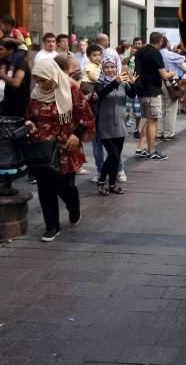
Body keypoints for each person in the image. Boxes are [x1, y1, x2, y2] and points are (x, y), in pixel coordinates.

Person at [24, 59, 95, 242]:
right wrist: (29, 124)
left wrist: (76, 135)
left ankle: (73, 205)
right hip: (42, 147)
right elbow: (30, 116)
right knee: (45, 187)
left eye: (43, 80)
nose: (40, 84)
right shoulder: (36, 94)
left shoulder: (69, 90)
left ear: (52, 76)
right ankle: (51, 226)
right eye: (37, 80)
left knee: (65, 185)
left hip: (66, 145)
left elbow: (86, 115)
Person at [91, 56, 136, 195]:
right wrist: (115, 83)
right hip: (105, 124)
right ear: (103, 68)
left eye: (112, 67)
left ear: (117, 67)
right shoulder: (100, 83)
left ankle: (112, 184)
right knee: (114, 155)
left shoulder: (123, 82)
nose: (110, 70)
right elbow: (101, 94)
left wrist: (133, 84)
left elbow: (132, 95)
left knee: (115, 157)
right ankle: (101, 181)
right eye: (107, 67)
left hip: (120, 124)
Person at [134, 32, 175, 160]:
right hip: (152, 91)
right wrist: (171, 73)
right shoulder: (155, 53)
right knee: (153, 121)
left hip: (141, 90)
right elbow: (163, 75)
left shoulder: (140, 52)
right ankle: (152, 151)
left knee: (148, 120)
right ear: (161, 40)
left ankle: (140, 148)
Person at [160, 37, 186, 139]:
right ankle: (168, 133)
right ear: (166, 44)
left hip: (156, 83)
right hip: (170, 82)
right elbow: (184, 65)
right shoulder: (170, 54)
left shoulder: (156, 54)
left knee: (160, 108)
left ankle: (158, 132)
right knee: (171, 108)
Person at [0, 38, 32, 119]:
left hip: (20, 105)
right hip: (7, 103)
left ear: (10, 50)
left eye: (1, 49)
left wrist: (2, 75)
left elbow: (16, 83)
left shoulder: (21, 63)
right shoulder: (3, 62)